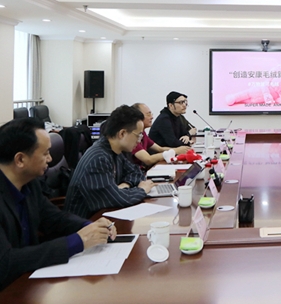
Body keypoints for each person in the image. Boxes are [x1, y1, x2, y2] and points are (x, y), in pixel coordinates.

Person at [0, 118, 116, 291]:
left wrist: (89, 226)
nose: (50, 158)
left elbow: (55, 219)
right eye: (45, 153)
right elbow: (6, 263)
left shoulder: (29, 183)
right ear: (20, 159)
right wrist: (78, 241)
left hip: (28, 283)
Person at [65, 105, 155, 218]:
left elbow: (136, 172)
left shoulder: (115, 151)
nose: (139, 141)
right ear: (122, 134)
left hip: (103, 216)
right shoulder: (99, 158)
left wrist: (125, 185)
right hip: (85, 223)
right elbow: (114, 199)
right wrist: (142, 190)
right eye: (138, 135)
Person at [130, 103, 189, 169]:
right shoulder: (132, 136)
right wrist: (175, 151)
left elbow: (160, 149)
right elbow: (148, 159)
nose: (152, 117)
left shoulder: (143, 133)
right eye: (148, 114)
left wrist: (179, 150)